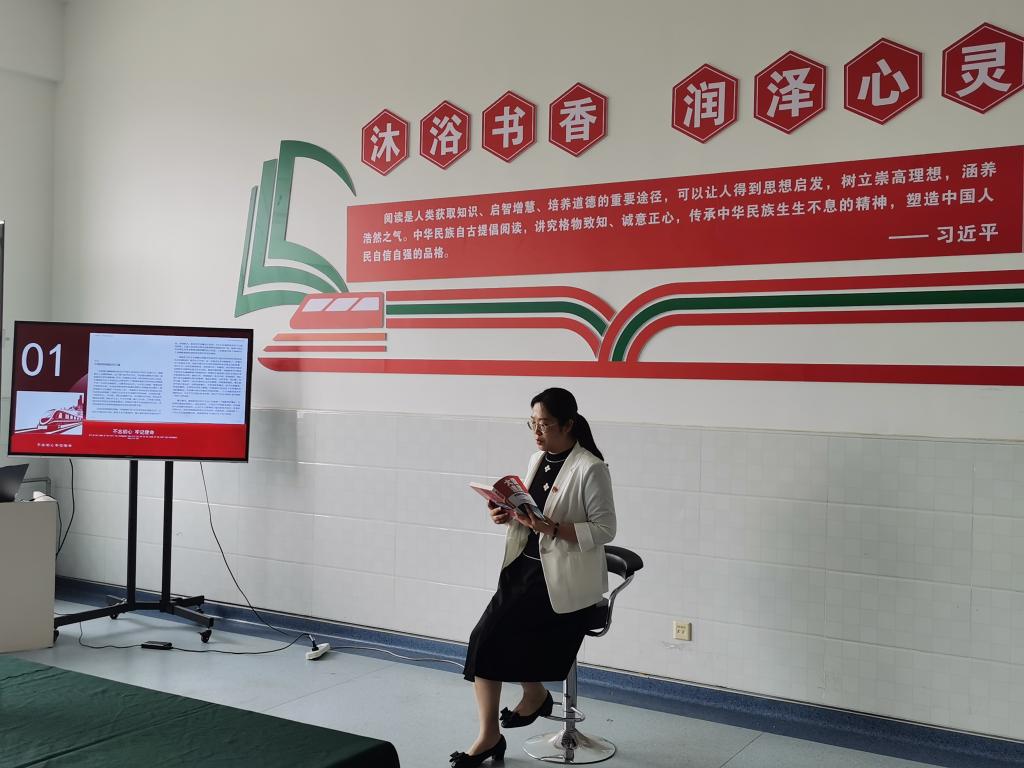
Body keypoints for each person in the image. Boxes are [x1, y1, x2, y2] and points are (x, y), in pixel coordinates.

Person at [450, 387, 616, 767]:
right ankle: (500, 726)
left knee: (492, 638)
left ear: (568, 424)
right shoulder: (536, 459)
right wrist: (504, 513)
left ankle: (528, 700)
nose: (537, 432)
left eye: (545, 424)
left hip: (560, 581)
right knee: (484, 641)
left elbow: (605, 529)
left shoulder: (590, 468)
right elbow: (529, 514)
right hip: (523, 569)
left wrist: (552, 527)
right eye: (532, 424)